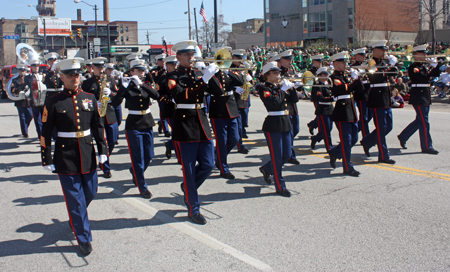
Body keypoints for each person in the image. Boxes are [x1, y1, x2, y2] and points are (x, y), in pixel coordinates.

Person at [40, 57, 108, 255]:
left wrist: (103, 150)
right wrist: (47, 157)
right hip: (65, 153)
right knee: (76, 200)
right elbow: (45, 132)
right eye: (70, 75)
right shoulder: (53, 101)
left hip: (87, 151)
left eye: (77, 74)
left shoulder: (89, 97)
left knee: (91, 191)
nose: (74, 78)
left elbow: (98, 126)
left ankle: (75, 217)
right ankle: (84, 237)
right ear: (61, 77)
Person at [167, 40, 222, 224]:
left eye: (192, 54)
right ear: (178, 56)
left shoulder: (199, 72)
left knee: (208, 164)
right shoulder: (174, 77)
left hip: (201, 121)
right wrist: (203, 79)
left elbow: (219, 92)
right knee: (189, 171)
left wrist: (210, 74)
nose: (191, 57)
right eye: (187, 54)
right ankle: (193, 209)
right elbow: (182, 95)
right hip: (185, 123)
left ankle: (187, 188)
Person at [112, 58, 161, 198]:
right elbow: (115, 102)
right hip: (134, 124)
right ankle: (142, 186)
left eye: (142, 70)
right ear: (131, 71)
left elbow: (156, 96)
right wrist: (123, 87)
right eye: (138, 70)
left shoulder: (145, 84)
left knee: (149, 155)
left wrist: (142, 85)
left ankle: (134, 171)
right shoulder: (126, 85)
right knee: (137, 158)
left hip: (147, 122)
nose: (141, 72)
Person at [258, 61, 299, 197]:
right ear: (267, 75)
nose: (278, 75)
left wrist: (292, 89)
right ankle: (280, 186)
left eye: (279, 73)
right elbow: (275, 103)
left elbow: (294, 101)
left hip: (285, 123)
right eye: (275, 73)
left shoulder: (279, 88)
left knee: (286, 155)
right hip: (273, 124)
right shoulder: (264, 89)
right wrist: (282, 90)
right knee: (276, 157)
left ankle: (266, 168)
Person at [397, 44, 441, 154]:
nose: (425, 55)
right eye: (422, 53)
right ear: (416, 54)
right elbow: (424, 78)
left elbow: (435, 75)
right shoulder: (413, 67)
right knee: (424, 121)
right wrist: (433, 68)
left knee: (420, 120)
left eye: (425, 53)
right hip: (419, 96)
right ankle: (427, 146)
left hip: (425, 95)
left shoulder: (423, 66)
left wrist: (437, 66)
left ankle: (403, 136)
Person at [208, 48, 245, 179]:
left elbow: (240, 81)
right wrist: (211, 72)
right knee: (221, 141)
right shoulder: (211, 73)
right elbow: (215, 89)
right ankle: (224, 168)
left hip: (231, 107)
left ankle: (218, 156)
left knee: (234, 138)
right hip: (218, 109)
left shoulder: (228, 71)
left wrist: (227, 70)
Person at [360, 40, 397, 164]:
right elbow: (377, 76)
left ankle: (367, 141)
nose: (384, 52)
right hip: (377, 98)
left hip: (385, 97)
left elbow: (392, 75)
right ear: (375, 50)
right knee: (381, 128)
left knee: (389, 126)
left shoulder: (382, 62)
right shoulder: (371, 63)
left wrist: (393, 66)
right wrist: (390, 66)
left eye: (385, 50)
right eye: (382, 50)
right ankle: (383, 155)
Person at [81, 57, 119, 178]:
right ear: (93, 68)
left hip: (110, 114)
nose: (101, 70)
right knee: (102, 141)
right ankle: (105, 167)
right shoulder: (87, 83)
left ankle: (104, 157)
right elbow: (82, 100)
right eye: (98, 67)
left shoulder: (110, 80)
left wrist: (111, 94)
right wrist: (92, 103)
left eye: (102, 67)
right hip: (97, 116)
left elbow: (117, 98)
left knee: (112, 140)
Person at [327, 52, 362, 177]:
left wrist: (359, 80)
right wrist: (354, 80)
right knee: (346, 141)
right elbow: (344, 89)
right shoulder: (333, 78)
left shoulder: (345, 76)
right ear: (336, 64)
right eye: (342, 62)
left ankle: (335, 153)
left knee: (354, 139)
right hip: (342, 112)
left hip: (351, 110)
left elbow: (359, 90)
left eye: (345, 62)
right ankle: (347, 167)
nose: (345, 64)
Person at [276, 49, 302, 165]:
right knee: (290, 131)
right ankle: (290, 154)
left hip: (293, 105)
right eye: (287, 59)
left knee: (296, 129)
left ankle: (285, 148)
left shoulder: (291, 71)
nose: (290, 61)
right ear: (281, 60)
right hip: (285, 105)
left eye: (291, 59)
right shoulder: (278, 73)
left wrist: (299, 85)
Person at [156, 55, 180, 162]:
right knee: (177, 133)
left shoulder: (180, 76)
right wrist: (170, 99)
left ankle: (170, 144)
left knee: (181, 133)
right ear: (166, 65)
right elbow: (157, 95)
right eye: (171, 64)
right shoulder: (162, 79)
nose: (174, 66)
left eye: (175, 64)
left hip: (183, 108)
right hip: (170, 109)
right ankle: (180, 158)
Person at [230, 49, 251, 154]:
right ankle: (240, 146)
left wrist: (249, 76)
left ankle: (239, 143)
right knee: (237, 127)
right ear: (233, 58)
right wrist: (234, 89)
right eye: (238, 58)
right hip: (234, 100)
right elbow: (225, 84)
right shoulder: (229, 68)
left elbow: (251, 82)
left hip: (243, 100)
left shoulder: (241, 69)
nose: (240, 61)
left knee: (242, 125)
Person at [310, 67, 334, 151]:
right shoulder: (318, 85)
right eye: (324, 74)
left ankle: (316, 138)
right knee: (326, 130)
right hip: (323, 109)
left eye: (327, 74)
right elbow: (320, 98)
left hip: (330, 108)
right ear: (320, 76)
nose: (326, 76)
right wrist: (332, 98)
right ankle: (329, 147)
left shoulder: (328, 84)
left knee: (329, 128)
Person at [351, 47, 372, 139]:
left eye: (364, 55)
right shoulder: (353, 67)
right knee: (364, 117)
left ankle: (353, 133)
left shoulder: (367, 65)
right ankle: (366, 136)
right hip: (360, 93)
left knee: (370, 115)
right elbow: (354, 81)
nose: (364, 57)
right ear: (356, 56)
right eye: (362, 55)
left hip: (369, 92)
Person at [9, 64, 33, 137]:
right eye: (21, 70)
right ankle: (25, 132)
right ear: (18, 71)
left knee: (30, 115)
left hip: (27, 100)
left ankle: (25, 126)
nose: (22, 72)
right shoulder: (15, 80)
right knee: (22, 117)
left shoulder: (28, 79)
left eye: (23, 70)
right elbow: (12, 90)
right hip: (20, 101)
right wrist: (19, 91)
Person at [151, 53, 171, 137]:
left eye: (163, 61)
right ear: (157, 62)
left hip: (169, 93)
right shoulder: (154, 71)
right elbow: (153, 79)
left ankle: (161, 123)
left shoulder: (169, 70)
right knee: (163, 112)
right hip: (161, 92)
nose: (162, 62)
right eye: (160, 61)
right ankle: (166, 130)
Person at [25, 59, 46, 138]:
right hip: (34, 101)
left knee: (45, 119)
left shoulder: (43, 75)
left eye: (37, 66)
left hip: (43, 100)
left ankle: (45, 134)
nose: (36, 67)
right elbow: (26, 88)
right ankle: (40, 136)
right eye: (34, 66)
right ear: (31, 67)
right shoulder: (28, 77)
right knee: (38, 120)